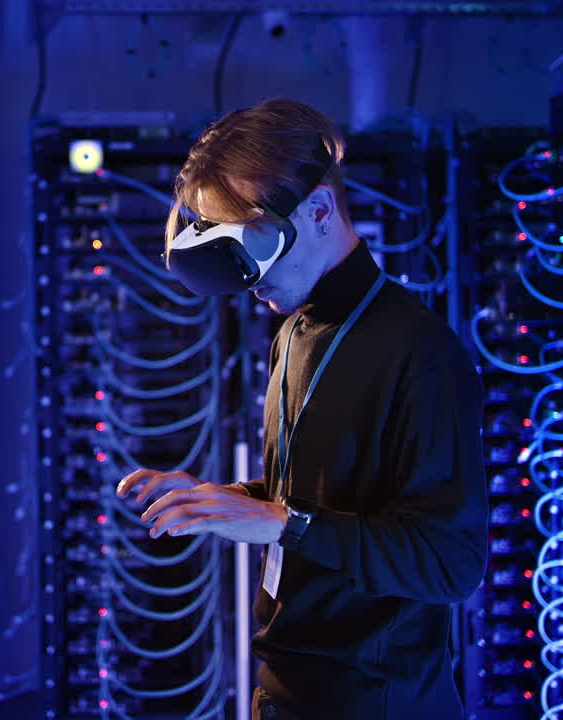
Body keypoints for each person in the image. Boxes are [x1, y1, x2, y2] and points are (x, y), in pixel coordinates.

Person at [114, 98, 489, 720]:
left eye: (251, 243)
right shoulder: (293, 329)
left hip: (373, 705)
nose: (246, 277)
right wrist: (226, 500)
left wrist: (284, 523)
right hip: (286, 690)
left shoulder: (419, 352)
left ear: (317, 211)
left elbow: (451, 564)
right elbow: (322, 495)